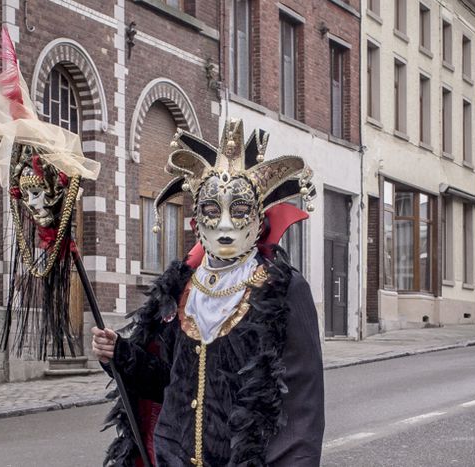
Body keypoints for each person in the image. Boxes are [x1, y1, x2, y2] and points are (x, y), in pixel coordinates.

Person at [92, 120, 325, 466]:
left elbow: (301, 411)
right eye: (212, 211)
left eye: (240, 210)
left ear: (259, 217)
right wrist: (121, 354)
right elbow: (167, 381)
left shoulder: (283, 290)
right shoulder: (183, 287)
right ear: (196, 220)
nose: (226, 225)